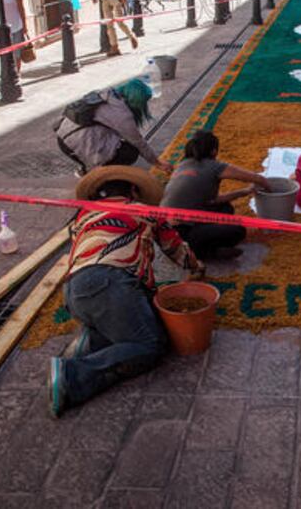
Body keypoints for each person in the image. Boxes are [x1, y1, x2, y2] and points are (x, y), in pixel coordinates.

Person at [48, 166, 203, 417]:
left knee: (146, 319)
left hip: (74, 292)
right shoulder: (143, 210)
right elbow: (175, 248)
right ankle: (72, 376)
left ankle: (94, 341)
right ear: (133, 191)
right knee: (150, 344)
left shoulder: (84, 215)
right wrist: (198, 267)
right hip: (108, 284)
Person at [161, 130, 271, 260]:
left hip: (163, 234)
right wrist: (270, 190)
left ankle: (203, 241)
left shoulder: (182, 165)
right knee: (238, 231)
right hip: (180, 236)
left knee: (226, 208)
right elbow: (258, 179)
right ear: (213, 151)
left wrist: (245, 192)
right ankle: (203, 253)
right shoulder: (214, 166)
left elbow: (212, 201)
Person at [55, 78, 173, 175]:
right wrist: (157, 162)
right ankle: (101, 173)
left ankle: (85, 167)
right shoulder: (122, 115)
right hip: (75, 143)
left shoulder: (106, 94)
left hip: (62, 140)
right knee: (130, 152)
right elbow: (138, 142)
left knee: (111, 139)